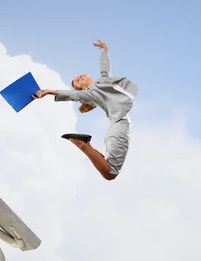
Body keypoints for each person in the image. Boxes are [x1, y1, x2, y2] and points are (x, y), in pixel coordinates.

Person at [32, 40, 138, 180]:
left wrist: (105, 50)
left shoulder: (103, 81)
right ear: (83, 89)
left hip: (119, 125)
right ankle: (82, 144)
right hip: (120, 124)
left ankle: (85, 144)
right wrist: (50, 91)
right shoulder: (89, 94)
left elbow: (105, 67)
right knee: (110, 173)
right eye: (77, 81)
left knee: (109, 168)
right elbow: (73, 95)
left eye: (78, 77)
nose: (78, 77)